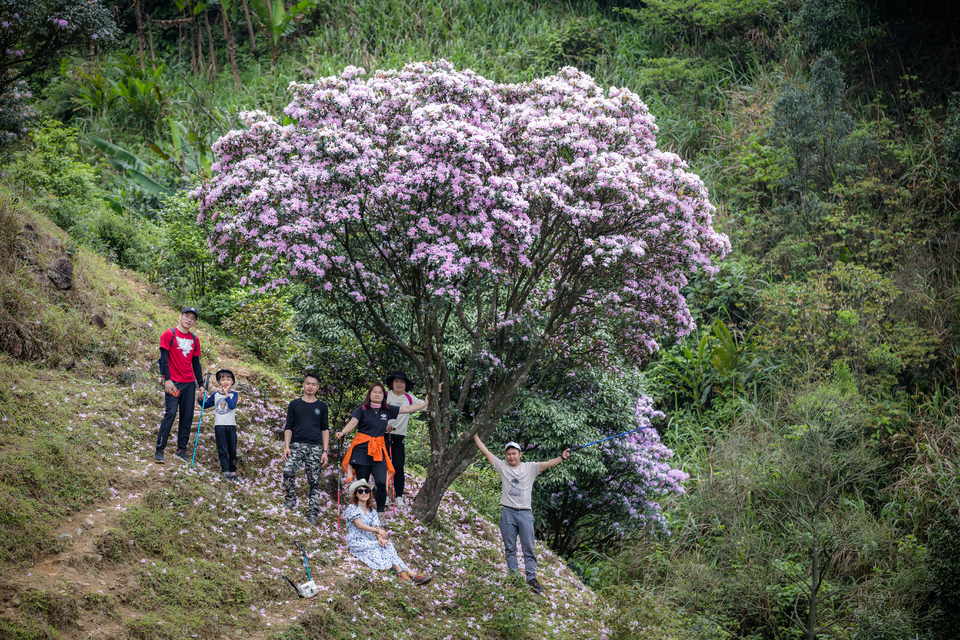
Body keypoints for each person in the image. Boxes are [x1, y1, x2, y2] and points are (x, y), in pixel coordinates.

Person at [473, 435, 570, 594]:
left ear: (520, 454)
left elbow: (547, 464)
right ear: (505, 456)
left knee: (528, 547)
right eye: (508, 454)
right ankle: (514, 577)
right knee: (510, 547)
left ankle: (531, 579)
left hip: (525, 513)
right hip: (507, 512)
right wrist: (475, 435)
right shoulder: (502, 466)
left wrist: (562, 457)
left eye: (514, 453)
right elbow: (486, 452)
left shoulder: (530, 467)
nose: (511, 456)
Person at [336, 382, 432, 523]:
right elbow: (353, 423)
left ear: (383, 396)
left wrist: (424, 404)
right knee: (363, 484)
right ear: (370, 394)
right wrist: (343, 432)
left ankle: (380, 513)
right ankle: (362, 512)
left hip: (378, 450)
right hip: (361, 449)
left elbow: (407, 408)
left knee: (381, 482)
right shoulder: (362, 409)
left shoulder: (387, 410)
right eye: (374, 392)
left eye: (380, 392)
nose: (377, 394)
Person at [344, 479, 431, 585]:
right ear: (356, 494)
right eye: (360, 491)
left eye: (366, 490)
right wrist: (378, 531)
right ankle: (402, 572)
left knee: (387, 544)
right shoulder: (352, 508)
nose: (364, 493)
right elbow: (359, 525)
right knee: (380, 546)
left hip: (370, 540)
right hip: (357, 541)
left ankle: (408, 573)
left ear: (370, 493)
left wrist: (380, 538)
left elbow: (376, 526)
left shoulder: (372, 511)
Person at [156, 308, 204, 464]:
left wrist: (201, 384)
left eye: (192, 318)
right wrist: (167, 379)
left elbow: (196, 364)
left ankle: (181, 450)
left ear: (195, 322)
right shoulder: (169, 334)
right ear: (180, 316)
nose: (189, 320)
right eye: (186, 316)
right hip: (174, 383)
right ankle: (160, 449)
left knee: (187, 416)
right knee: (170, 413)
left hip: (189, 383)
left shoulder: (194, 339)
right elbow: (164, 359)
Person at [282, 373, 330, 526]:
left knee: (314, 481)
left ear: (318, 387)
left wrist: (325, 451)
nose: (310, 386)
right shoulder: (294, 404)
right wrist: (287, 447)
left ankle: (312, 513)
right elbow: (289, 426)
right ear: (303, 384)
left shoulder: (322, 406)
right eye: (308, 383)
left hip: (315, 447)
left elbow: (325, 429)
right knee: (288, 471)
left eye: (314, 384)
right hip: (296, 445)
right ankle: (291, 499)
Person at [384, 370, 420, 508]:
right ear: (392, 383)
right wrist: (384, 425)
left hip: (399, 437)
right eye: (396, 381)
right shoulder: (385, 395)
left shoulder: (409, 398)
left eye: (402, 381)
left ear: (406, 384)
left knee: (398, 467)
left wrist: (437, 392)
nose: (399, 384)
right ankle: (384, 494)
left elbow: (426, 405)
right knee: (383, 466)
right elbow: (374, 412)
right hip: (383, 435)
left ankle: (399, 496)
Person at [198, 369, 239, 481]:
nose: (226, 381)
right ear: (219, 382)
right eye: (223, 379)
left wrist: (226, 394)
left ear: (232, 381)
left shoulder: (234, 394)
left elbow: (232, 406)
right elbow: (205, 405)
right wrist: (200, 398)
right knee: (222, 449)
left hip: (231, 425)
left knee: (232, 450)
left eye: (228, 379)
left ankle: (233, 473)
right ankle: (225, 472)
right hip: (219, 425)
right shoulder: (215, 395)